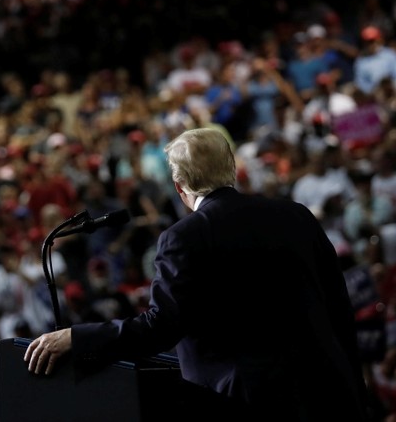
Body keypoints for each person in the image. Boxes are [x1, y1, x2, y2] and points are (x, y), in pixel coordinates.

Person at [24, 127, 370, 420]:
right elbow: (339, 306)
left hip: (248, 404)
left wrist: (78, 338)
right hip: (328, 392)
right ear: (231, 168)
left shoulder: (184, 237)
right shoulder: (296, 216)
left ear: (179, 185)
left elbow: (161, 328)